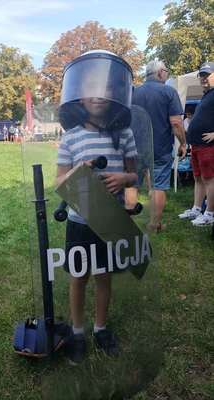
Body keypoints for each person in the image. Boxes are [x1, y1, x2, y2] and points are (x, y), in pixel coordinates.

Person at [56, 50, 138, 364]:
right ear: (78, 96)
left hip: (111, 220)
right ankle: (77, 332)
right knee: (79, 276)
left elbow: (134, 175)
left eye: (104, 87)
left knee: (104, 275)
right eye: (90, 87)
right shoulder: (71, 139)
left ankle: (100, 328)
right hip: (79, 219)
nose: (98, 94)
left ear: (116, 93)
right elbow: (60, 181)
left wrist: (124, 179)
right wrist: (81, 171)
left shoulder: (124, 134)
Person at [132, 60, 187, 233]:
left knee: (132, 185)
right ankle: (154, 225)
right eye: (167, 71)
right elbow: (177, 123)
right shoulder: (168, 92)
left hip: (134, 148)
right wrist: (184, 143)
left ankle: (128, 224)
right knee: (158, 186)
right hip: (160, 148)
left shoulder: (133, 92)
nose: (168, 74)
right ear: (160, 73)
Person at [178, 62, 214, 226]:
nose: (203, 79)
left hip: (208, 146)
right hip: (197, 145)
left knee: (210, 179)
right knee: (198, 178)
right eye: (202, 75)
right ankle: (196, 209)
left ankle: (210, 214)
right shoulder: (207, 95)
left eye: (207, 75)